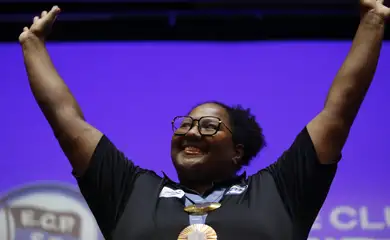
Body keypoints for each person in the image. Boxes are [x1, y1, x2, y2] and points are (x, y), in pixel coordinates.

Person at [18, 1, 389, 239]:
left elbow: (338, 112)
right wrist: (32, 44)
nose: (191, 131)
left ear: (236, 152)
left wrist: (372, 20)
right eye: (184, 124)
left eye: (209, 126)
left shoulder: (280, 189)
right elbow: (66, 119)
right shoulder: (129, 190)